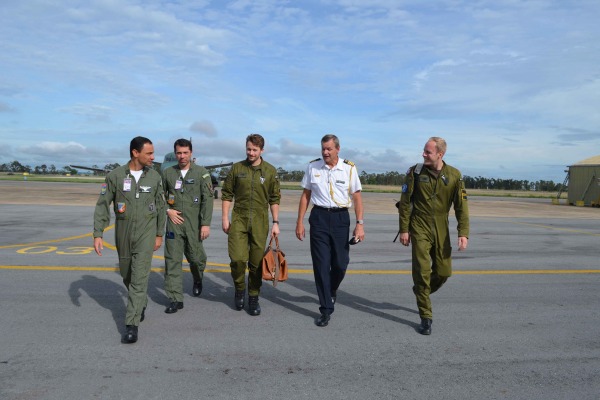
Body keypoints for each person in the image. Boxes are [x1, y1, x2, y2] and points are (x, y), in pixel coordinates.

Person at [93, 136, 166, 344]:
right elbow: (102, 204)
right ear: (136, 153)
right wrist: (98, 233)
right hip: (123, 232)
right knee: (127, 274)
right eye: (149, 153)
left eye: (153, 153)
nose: (153, 157)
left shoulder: (154, 177)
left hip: (146, 231)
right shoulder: (115, 176)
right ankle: (139, 301)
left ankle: (131, 325)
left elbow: (160, 207)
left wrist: (159, 234)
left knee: (140, 276)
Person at [397, 136, 469, 335]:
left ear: (440, 154)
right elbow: (405, 202)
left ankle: (421, 291)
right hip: (419, 224)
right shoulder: (415, 172)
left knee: (444, 272)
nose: (423, 154)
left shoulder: (454, 175)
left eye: (428, 152)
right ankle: (426, 316)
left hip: (441, 225)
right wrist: (404, 229)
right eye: (424, 150)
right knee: (421, 270)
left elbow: (462, 207)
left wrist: (463, 232)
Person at [296, 134, 364, 327]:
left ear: (337, 149)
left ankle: (332, 289)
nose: (325, 152)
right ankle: (325, 308)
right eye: (323, 149)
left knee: (341, 263)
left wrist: (360, 224)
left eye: (329, 149)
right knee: (321, 265)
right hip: (319, 218)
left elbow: (357, 197)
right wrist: (299, 221)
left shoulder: (349, 168)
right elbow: (305, 196)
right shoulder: (312, 167)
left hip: (341, 218)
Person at [221, 134, 280, 316]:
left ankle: (253, 296)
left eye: (255, 150)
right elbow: (227, 194)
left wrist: (275, 222)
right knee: (238, 259)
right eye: (248, 149)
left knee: (256, 263)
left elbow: (274, 198)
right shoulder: (237, 168)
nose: (251, 153)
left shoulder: (270, 171)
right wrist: (225, 217)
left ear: (262, 150)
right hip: (239, 218)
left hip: (260, 220)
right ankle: (239, 289)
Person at [162, 138, 214, 314]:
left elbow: (208, 199)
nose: (182, 156)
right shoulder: (168, 173)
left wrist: (205, 224)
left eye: (185, 153)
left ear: (191, 153)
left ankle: (197, 278)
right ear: (175, 153)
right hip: (174, 224)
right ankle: (175, 298)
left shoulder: (202, 173)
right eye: (178, 153)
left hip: (194, 224)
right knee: (172, 261)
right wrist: (167, 210)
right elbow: (158, 195)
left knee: (197, 258)